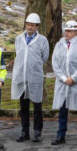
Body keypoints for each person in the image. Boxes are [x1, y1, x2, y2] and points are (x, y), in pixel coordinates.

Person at [52, 20, 77, 146]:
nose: (66, 33)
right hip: (63, 83)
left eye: (69, 31)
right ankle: (61, 134)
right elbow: (55, 63)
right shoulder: (59, 44)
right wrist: (64, 78)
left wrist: (73, 78)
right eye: (65, 31)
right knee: (63, 109)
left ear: (76, 31)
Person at [12, 13, 49, 143]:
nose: (30, 27)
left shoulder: (43, 40)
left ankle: (37, 132)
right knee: (24, 107)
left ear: (37, 26)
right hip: (22, 78)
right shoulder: (19, 39)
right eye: (28, 24)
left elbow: (44, 57)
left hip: (35, 78)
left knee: (37, 107)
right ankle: (24, 132)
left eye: (32, 25)